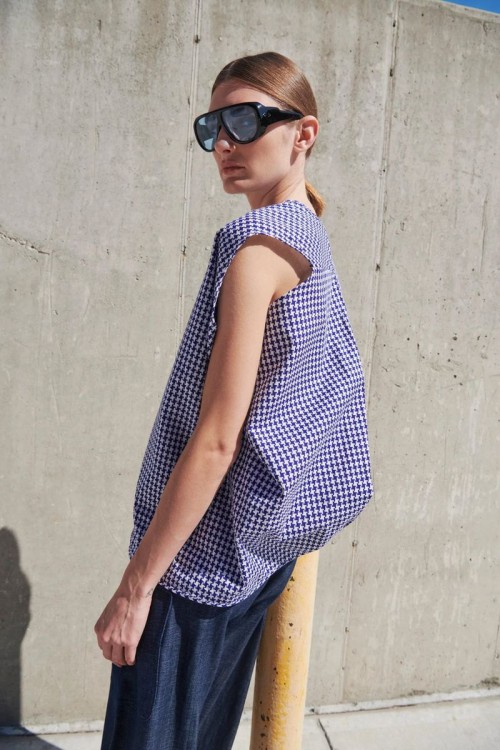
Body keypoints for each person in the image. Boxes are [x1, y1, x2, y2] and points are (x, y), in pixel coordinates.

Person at [94, 51, 373, 750]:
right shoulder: (309, 237)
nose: (223, 142)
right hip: (256, 558)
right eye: (211, 126)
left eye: (245, 121)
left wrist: (136, 589)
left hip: (195, 566)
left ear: (303, 133)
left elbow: (218, 440)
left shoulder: (253, 254)